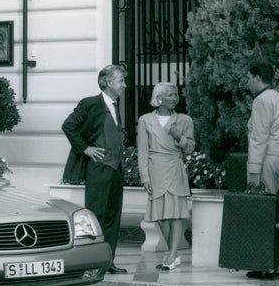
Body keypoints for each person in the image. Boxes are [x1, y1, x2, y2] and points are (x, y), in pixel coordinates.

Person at [62, 64, 128, 273]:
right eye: (120, 81)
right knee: (96, 216)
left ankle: (108, 261)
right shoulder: (91, 103)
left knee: (112, 217)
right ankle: (91, 263)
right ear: (107, 82)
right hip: (99, 169)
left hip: (115, 168)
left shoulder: (115, 106)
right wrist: (85, 149)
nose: (124, 85)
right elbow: (68, 125)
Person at [137, 83, 195, 271]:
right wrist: (144, 176)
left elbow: (190, 148)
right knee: (160, 217)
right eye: (170, 95)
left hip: (175, 167)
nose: (174, 98)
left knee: (176, 215)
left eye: (176, 94)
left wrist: (179, 137)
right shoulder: (145, 120)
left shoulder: (184, 120)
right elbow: (142, 151)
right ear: (159, 98)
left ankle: (171, 255)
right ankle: (174, 253)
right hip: (155, 170)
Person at [245, 60, 279, 279]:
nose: (247, 82)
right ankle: (271, 263)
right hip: (278, 156)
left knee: (261, 211)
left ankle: (265, 264)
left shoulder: (262, 100)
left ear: (256, 77)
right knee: (270, 210)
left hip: (264, 160)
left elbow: (259, 138)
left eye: (248, 78)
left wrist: (254, 169)